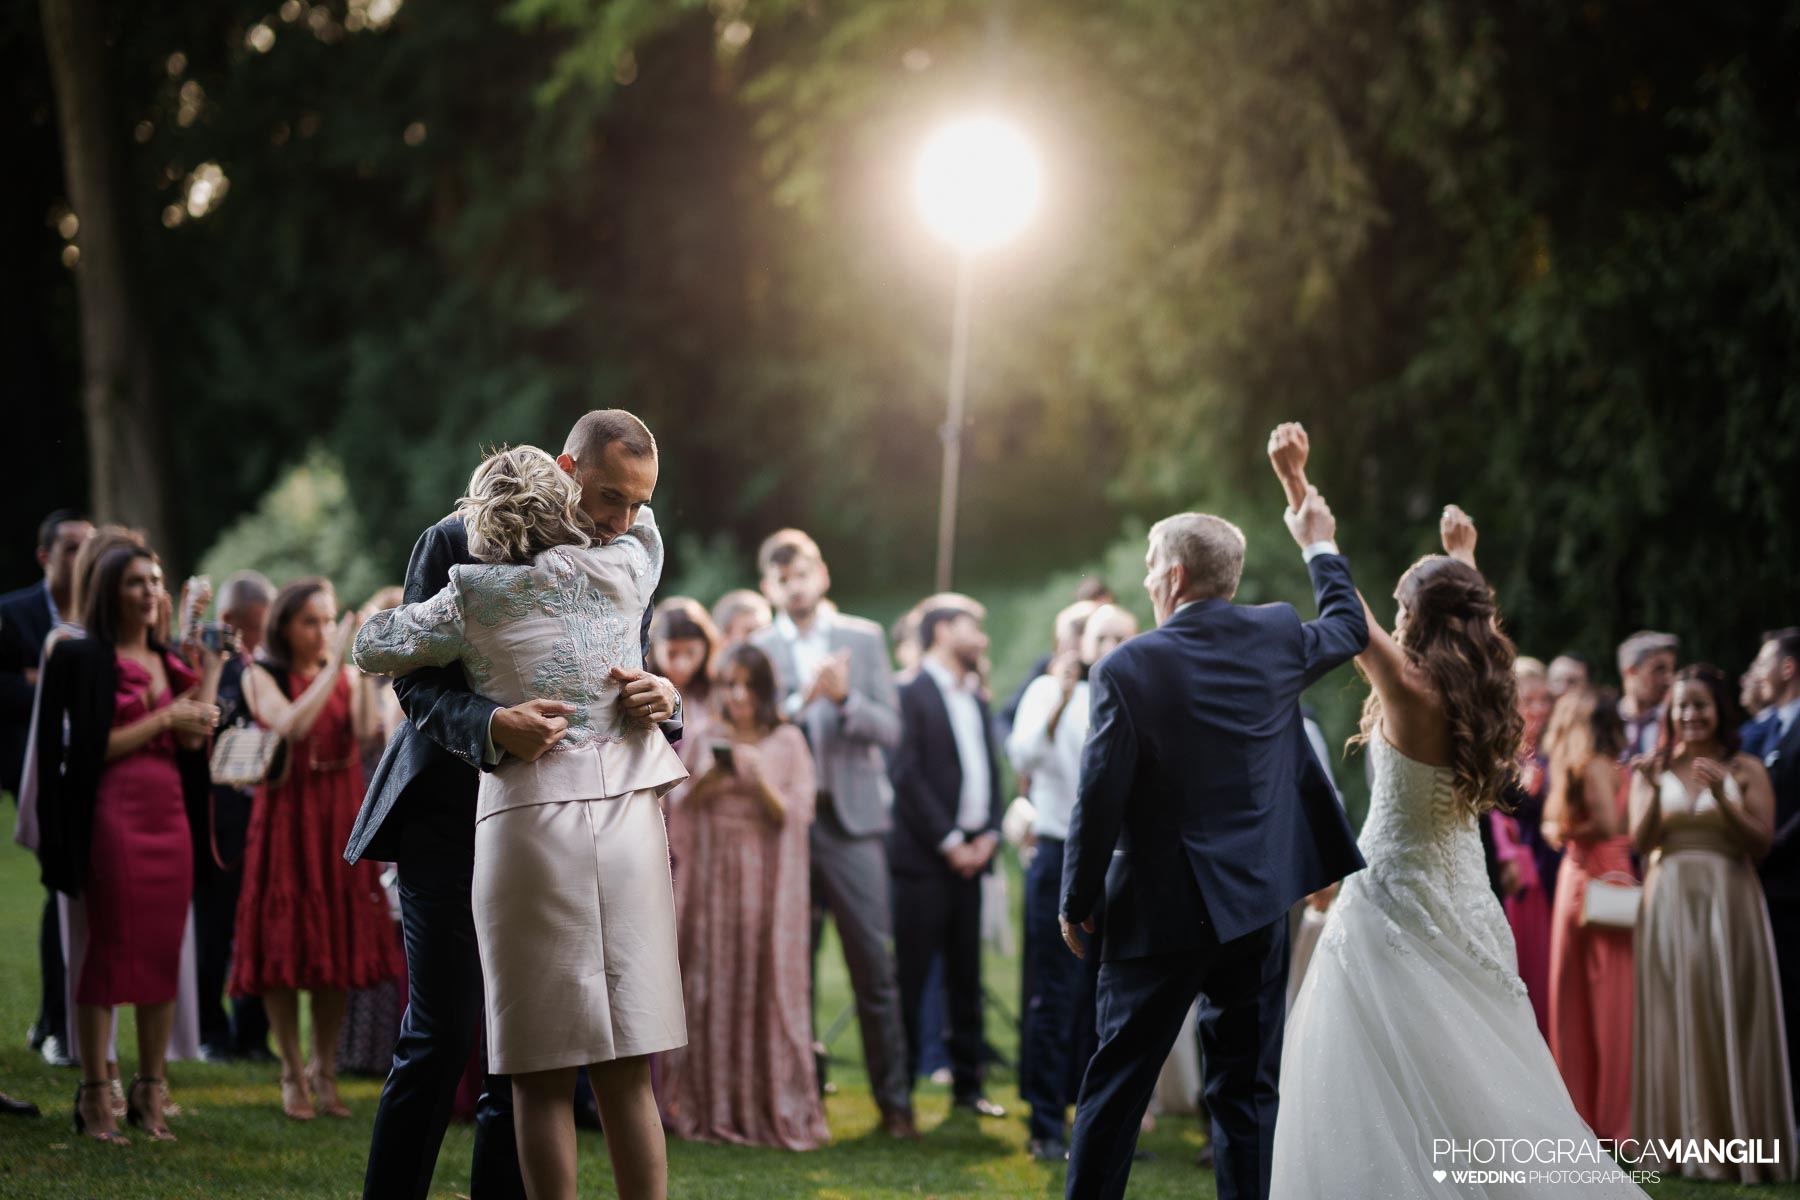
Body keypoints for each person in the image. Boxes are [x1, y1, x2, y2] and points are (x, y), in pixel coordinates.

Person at [1269, 425, 1646, 1199]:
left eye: (1404, 604)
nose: (1395, 614)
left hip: (1393, 905)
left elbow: (1345, 614)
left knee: (1391, 1065)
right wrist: (1464, 559)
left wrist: (1302, 503)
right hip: (1464, 897)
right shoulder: (1481, 690)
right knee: (1471, 1056)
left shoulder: (1409, 689)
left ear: (1416, 616)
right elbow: (1463, 612)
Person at [347, 410, 680, 1200]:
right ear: (567, 469)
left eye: (637, 505)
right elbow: (412, 683)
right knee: (442, 1032)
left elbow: (620, 668)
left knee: (528, 1056)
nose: (621, 519)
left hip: (588, 816)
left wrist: (666, 698)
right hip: (451, 813)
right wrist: (492, 726)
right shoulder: (452, 542)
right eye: (609, 497)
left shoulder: (620, 558)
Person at [1059, 425, 1365, 1200]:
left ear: (1174, 574)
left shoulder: (1126, 666)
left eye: (1148, 567)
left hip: (1159, 912)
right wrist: (1318, 542)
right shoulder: (1274, 636)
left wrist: (1077, 898)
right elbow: (1349, 627)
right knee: (1247, 1091)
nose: (1144, 580)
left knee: (1117, 1087)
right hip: (1256, 906)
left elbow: (1099, 796)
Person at [34, 543, 223, 1143]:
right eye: (136, 581)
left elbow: (191, 739)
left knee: (164, 951)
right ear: (109, 590)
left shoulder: (166, 658)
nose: (149, 592)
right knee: (109, 947)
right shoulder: (81, 657)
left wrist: (210, 672)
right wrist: (165, 718)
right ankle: (95, 1092)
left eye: (155, 580)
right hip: (113, 810)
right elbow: (88, 750)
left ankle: (150, 1090)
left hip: (170, 813)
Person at [751, 530, 915, 1137]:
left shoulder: (863, 638)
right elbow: (757, 729)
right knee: (792, 967)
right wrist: (801, 700)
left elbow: (890, 730)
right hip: (784, 822)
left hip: (852, 825)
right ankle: (801, 1097)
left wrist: (845, 700)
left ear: (822, 575)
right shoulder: (760, 648)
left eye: (804, 574)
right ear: (769, 587)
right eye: (783, 579)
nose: (796, 586)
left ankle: (895, 1104)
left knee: (873, 965)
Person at [229, 577, 405, 1119]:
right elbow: (289, 724)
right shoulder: (260, 674)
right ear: (285, 626)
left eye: (329, 621)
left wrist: (364, 675)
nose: (324, 631)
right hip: (286, 817)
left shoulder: (346, 678)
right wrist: (335, 669)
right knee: (283, 945)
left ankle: (323, 1068)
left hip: (337, 814)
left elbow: (366, 733)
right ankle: (290, 1070)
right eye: (312, 621)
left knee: (338, 945)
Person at [1629, 664, 1795, 1183]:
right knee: (1674, 1009)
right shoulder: (1654, 766)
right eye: (1681, 705)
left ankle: (1739, 1143)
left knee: (1732, 1009)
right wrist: (1649, 788)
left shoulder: (1746, 767)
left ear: (1719, 709)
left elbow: (1761, 844)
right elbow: (1641, 843)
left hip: (1730, 898)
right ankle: (1680, 1142)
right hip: (1669, 899)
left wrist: (1724, 797)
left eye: (1699, 704)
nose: (1690, 714)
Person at [661, 642, 828, 1149]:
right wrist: (710, 779)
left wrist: (758, 781)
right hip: (713, 876)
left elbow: (795, 816)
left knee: (761, 974)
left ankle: (762, 1101)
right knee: (712, 977)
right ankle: (710, 1102)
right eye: (730, 685)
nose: (738, 696)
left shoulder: (788, 741)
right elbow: (681, 808)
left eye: (748, 686)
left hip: (765, 879)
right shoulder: (706, 735)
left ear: (765, 691)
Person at [1008, 602, 1137, 1161]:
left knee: (1107, 998)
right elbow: (1023, 755)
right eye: (1099, 637)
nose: (1108, 647)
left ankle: (1097, 1126)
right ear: (1082, 645)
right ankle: (1044, 1123)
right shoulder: (1048, 691)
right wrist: (1060, 700)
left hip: (1119, 860)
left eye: (1119, 637)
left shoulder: (1138, 695)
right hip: (1059, 850)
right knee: (1055, 992)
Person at [891, 603, 1006, 1120]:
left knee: (967, 976)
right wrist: (950, 840)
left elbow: (990, 771)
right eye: (970, 626)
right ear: (941, 630)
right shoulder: (909, 691)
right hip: (923, 861)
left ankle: (968, 1085)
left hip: (974, 856)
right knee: (912, 977)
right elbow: (906, 773)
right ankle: (902, 1087)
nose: (980, 636)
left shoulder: (975, 694)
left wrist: (990, 834)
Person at [5, 509, 94, 1064]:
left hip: (90, 770)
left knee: (70, 888)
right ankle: (59, 1024)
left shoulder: (102, 614)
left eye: (90, 547)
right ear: (45, 556)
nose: (82, 558)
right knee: (60, 883)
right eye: (71, 548)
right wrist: (48, 682)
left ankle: (54, 1021)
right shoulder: (13, 614)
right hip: (31, 769)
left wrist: (46, 677)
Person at [1540, 686, 1634, 1144]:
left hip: (1593, 877)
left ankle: (1601, 1117)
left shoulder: (1591, 765)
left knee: (1590, 1001)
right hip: (1607, 874)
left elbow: (1608, 825)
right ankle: (1600, 1115)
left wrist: (1563, 827)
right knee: (1601, 998)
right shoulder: (1613, 765)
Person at [193, 569, 276, 1064]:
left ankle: (253, 1032)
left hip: (260, 814)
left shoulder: (266, 668)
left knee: (257, 922)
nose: (261, 640)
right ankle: (210, 1030)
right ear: (228, 620)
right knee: (214, 924)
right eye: (255, 629)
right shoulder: (206, 668)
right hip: (216, 815)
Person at [1750, 627, 1800, 1119]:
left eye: (1765, 661)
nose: (1758, 671)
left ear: (1788, 667)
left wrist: (1767, 844)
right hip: (1767, 887)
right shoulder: (1764, 728)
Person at [1493, 656, 1554, 1035]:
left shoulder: (1556, 751)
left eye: (1544, 700)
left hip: (1551, 876)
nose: (1538, 709)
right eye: (1528, 700)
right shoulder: (1499, 757)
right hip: (1515, 878)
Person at [1617, 631, 1678, 757]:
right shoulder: (1607, 723)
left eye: (1671, 670)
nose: (1669, 679)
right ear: (1631, 672)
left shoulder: (1676, 723)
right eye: (1659, 669)